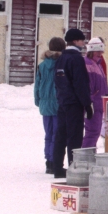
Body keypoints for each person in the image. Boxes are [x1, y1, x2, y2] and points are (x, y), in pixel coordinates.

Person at [52, 29, 92, 178]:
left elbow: (57, 81)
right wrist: (87, 103)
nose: (83, 43)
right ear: (75, 41)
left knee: (61, 135)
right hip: (74, 103)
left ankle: (57, 167)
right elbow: (80, 83)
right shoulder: (76, 59)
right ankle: (73, 168)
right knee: (74, 137)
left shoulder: (61, 58)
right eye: (82, 40)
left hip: (62, 101)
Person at [35, 37, 64, 174]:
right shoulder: (62, 64)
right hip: (59, 103)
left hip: (45, 103)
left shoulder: (41, 66)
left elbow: (37, 85)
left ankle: (48, 161)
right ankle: (55, 161)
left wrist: (38, 101)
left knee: (48, 133)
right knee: (57, 135)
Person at [81, 37, 108, 148]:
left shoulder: (97, 63)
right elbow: (88, 86)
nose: (100, 53)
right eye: (98, 51)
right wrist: (90, 102)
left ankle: (90, 156)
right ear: (91, 51)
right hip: (93, 104)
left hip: (99, 104)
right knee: (92, 132)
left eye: (101, 51)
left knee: (95, 132)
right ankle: (85, 158)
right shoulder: (87, 64)